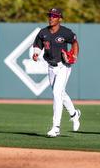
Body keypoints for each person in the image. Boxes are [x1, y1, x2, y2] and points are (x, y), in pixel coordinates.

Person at [32, 8, 81, 137]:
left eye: (54, 16)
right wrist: (36, 53)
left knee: (56, 93)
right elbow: (38, 45)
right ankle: (74, 114)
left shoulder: (66, 32)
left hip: (63, 66)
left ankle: (56, 127)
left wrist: (74, 55)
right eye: (50, 15)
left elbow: (75, 42)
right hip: (51, 67)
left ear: (59, 18)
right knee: (61, 93)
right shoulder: (43, 32)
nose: (51, 18)